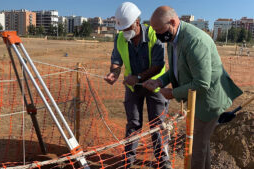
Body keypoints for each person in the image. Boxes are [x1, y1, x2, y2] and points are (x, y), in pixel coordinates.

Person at [143, 6, 243, 169]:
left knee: (196, 147)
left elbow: (202, 83)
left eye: (159, 30)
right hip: (196, 98)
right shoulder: (172, 39)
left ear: (173, 22)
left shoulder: (195, 41)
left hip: (209, 101)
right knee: (200, 144)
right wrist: (160, 81)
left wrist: (173, 93)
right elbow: (176, 69)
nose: (158, 35)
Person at [104, 2, 171, 169]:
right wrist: (114, 73)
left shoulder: (154, 35)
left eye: (128, 28)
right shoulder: (120, 38)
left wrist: (139, 77)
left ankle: (163, 162)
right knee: (133, 124)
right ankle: (128, 161)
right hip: (133, 88)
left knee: (158, 124)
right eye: (123, 29)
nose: (125, 32)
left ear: (138, 21)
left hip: (154, 85)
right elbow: (116, 61)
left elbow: (158, 64)